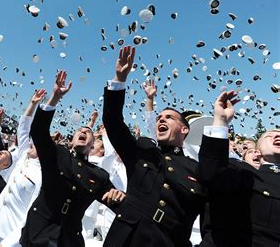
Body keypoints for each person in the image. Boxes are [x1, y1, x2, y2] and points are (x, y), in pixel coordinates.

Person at [102, 46, 207, 247]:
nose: (161, 120)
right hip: (126, 239)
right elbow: (113, 122)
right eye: (159, 117)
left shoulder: (197, 170)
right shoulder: (142, 150)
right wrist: (119, 79)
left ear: (184, 129)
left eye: (169, 117)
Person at [20, 70, 125, 247]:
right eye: (80, 130)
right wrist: (54, 97)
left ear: (92, 145)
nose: (84, 131)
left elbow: (116, 202)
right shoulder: (57, 154)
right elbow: (38, 131)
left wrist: (119, 196)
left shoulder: (100, 175)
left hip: (69, 239)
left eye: (88, 132)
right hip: (39, 233)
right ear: (72, 140)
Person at [198, 90, 280, 246]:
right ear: (257, 150)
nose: (278, 136)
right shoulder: (239, 171)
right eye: (270, 135)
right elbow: (210, 173)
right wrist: (220, 122)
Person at [0, 89, 46, 247]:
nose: (32, 144)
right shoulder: (24, 157)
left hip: (13, 235)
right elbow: (23, 129)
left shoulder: (43, 177)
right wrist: (33, 104)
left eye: (39, 143)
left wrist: (9, 243)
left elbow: (32, 215)